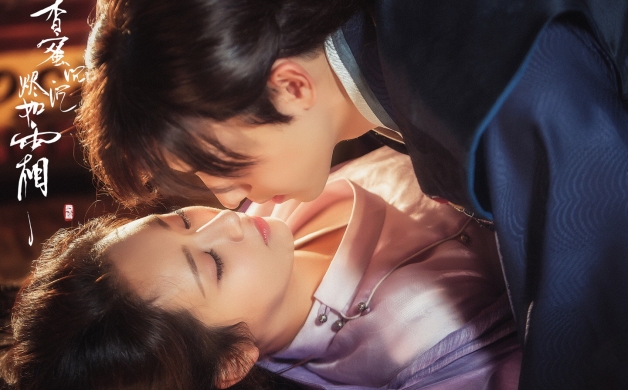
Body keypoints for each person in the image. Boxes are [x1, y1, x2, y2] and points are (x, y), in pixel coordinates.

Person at [76, 0, 628, 388]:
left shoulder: (496, 86)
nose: (227, 200)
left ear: (289, 87)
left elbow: (595, 312)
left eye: (225, 164)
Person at [0, 148, 521, 389]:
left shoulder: (272, 190)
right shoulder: (416, 367)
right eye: (213, 264)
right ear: (233, 362)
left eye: (181, 220)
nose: (226, 224)